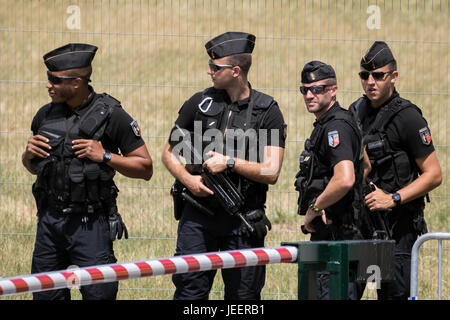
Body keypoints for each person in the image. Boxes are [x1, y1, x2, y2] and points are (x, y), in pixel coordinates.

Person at [22, 43, 153, 300]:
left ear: (77, 82)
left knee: (99, 295)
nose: (48, 85)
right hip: (50, 223)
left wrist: (104, 155)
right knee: (45, 296)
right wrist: (27, 155)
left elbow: (145, 167)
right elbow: (32, 167)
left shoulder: (112, 115)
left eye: (55, 80)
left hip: (90, 225)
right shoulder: (44, 116)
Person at [161, 32, 286, 300]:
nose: (209, 71)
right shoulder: (200, 103)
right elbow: (168, 153)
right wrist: (189, 181)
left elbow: (272, 171)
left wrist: (230, 162)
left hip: (242, 219)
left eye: (216, 67)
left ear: (236, 71)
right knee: (189, 293)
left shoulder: (267, 111)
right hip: (198, 216)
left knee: (243, 298)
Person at [349, 41, 442, 300]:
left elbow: (434, 174)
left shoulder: (408, 118)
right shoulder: (357, 111)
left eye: (378, 75)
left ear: (394, 77)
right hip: (362, 227)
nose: (370, 82)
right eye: (364, 75)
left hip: (396, 231)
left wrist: (393, 198)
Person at [294, 61, 365, 299]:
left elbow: (345, 179)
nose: (309, 95)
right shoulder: (336, 121)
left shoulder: (335, 126)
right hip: (339, 234)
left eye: (317, 89)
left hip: (337, 237)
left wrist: (316, 206)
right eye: (304, 89)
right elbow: (365, 164)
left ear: (333, 90)